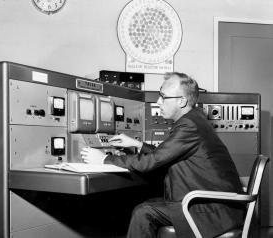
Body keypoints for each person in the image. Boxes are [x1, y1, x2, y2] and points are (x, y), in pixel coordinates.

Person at [80, 72, 245, 238]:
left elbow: (151, 162)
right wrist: (137, 144)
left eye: (163, 97)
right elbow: (167, 154)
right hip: (217, 206)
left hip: (213, 212)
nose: (158, 102)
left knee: (143, 212)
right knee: (145, 202)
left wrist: (104, 159)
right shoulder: (195, 120)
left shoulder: (189, 125)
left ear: (181, 101)